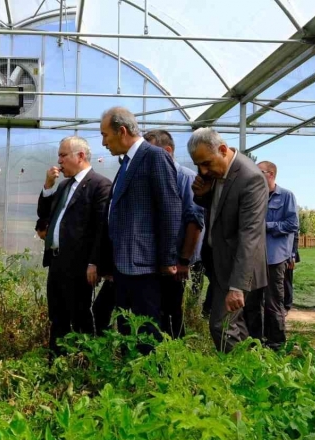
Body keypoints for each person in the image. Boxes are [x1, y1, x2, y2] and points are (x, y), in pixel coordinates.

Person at [101, 107, 182, 353]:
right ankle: (131, 378)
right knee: (127, 328)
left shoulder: (154, 156)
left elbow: (170, 208)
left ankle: (150, 382)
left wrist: (168, 258)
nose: (104, 142)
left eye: (105, 135)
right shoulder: (127, 162)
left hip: (146, 263)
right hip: (124, 264)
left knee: (146, 331)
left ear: (122, 131)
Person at [189, 127, 268, 352]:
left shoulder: (250, 177)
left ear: (223, 150)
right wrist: (203, 195)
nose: (203, 170)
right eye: (199, 165)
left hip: (239, 267)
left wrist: (237, 287)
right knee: (237, 328)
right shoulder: (218, 173)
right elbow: (221, 213)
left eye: (206, 163)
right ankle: (253, 373)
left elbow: (250, 235)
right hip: (221, 263)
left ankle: (242, 376)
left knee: (222, 326)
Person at [36, 136, 112, 355]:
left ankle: (83, 363)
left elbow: (101, 229)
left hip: (80, 265)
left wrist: (94, 262)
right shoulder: (63, 186)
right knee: (57, 316)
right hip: (58, 261)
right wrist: (48, 187)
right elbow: (44, 215)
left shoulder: (99, 185)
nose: (59, 161)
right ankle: (56, 362)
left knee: (79, 316)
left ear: (80, 156)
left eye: (63, 155)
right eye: (59, 155)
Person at [143, 129, 205, 339]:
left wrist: (183, 260)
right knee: (156, 311)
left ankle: (176, 355)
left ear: (167, 151)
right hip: (154, 260)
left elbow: (194, 222)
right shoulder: (152, 178)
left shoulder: (186, 178)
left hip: (175, 262)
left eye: (151, 151)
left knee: (171, 312)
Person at [244, 161, 298, 349]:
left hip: (275, 258)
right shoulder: (253, 196)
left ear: (271, 174)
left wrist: (267, 226)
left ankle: (276, 344)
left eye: (259, 172)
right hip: (253, 258)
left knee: (273, 303)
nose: (255, 176)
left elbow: (292, 225)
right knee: (251, 302)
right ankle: (254, 342)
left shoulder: (286, 196)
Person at [284, 232, 300, 312]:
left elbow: (295, 237)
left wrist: (293, 255)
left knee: (287, 280)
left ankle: (287, 305)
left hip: (289, 255)